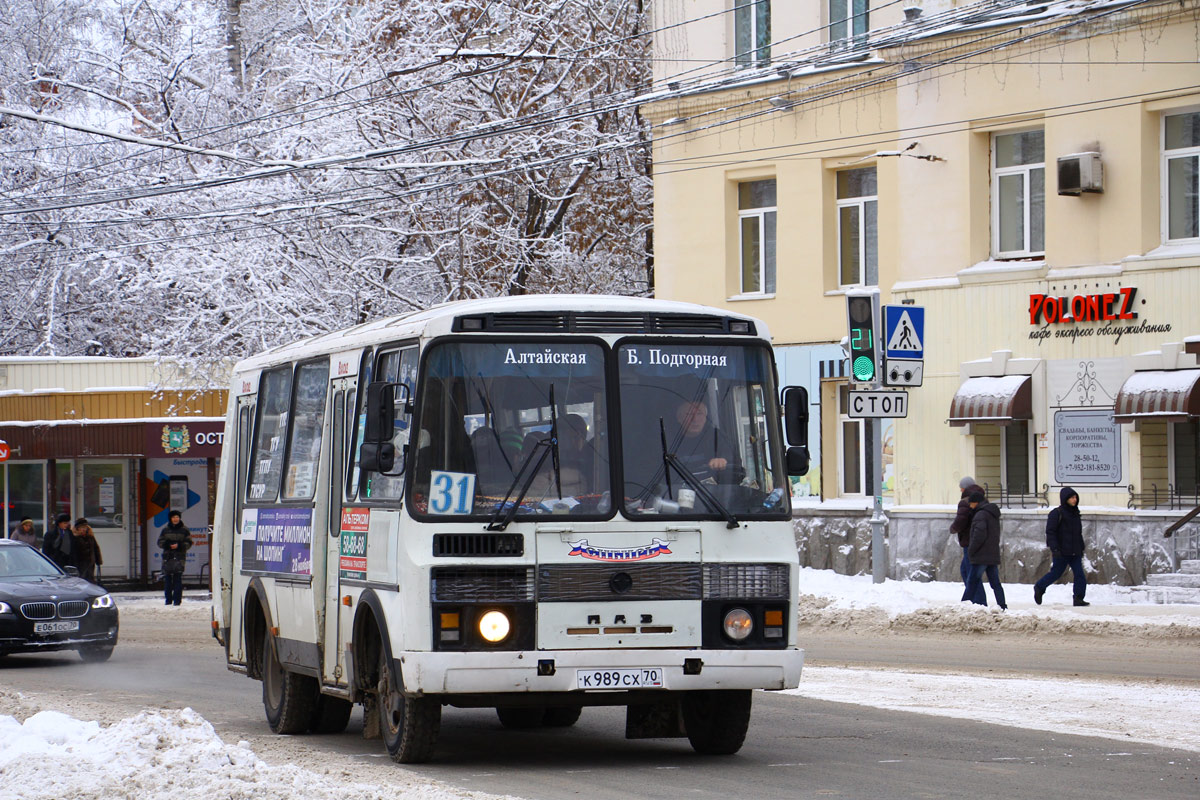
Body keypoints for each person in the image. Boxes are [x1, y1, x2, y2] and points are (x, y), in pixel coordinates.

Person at [1034, 487, 1089, 607]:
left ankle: (1078, 598)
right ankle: (1039, 587)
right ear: (1065, 499)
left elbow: (1077, 533)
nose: (1074, 500)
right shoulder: (1056, 513)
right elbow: (1051, 532)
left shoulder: (1075, 513)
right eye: (1072, 498)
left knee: (1079, 574)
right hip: (1062, 551)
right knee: (1056, 573)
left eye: (1075, 497)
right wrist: (1055, 548)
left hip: (1075, 551)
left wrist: (1081, 546)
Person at [672, 399, 744, 484]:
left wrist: (723, 460)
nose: (695, 419)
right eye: (689, 414)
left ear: (705, 417)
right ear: (679, 418)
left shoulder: (717, 437)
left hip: (711, 493)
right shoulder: (669, 441)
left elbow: (734, 462)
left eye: (699, 414)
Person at [961, 490, 1007, 610]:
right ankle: (1002, 605)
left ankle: (963, 605)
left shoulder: (980, 515)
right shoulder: (992, 513)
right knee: (995, 583)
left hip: (981, 555)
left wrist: (971, 550)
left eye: (971, 504)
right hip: (992, 553)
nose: (970, 506)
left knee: (972, 581)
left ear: (976, 503)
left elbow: (978, 535)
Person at [950, 476, 986, 605]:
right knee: (967, 570)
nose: (960, 491)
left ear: (964, 488)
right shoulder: (982, 499)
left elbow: (961, 520)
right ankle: (974, 600)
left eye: (961, 488)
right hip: (977, 540)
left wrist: (953, 528)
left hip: (969, 541)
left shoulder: (965, 501)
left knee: (970, 572)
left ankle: (977, 601)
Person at [158, 509, 192, 606]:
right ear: (170, 519)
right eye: (173, 517)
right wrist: (168, 545)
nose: (175, 519)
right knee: (168, 579)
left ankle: (177, 600)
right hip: (168, 557)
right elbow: (160, 542)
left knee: (178, 579)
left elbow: (189, 542)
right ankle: (168, 600)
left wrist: (179, 546)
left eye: (177, 517)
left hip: (179, 557)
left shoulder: (185, 530)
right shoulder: (165, 530)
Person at [71, 518, 103, 583]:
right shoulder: (74, 538)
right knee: (81, 580)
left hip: (90, 563)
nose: (84, 529)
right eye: (81, 527)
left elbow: (96, 548)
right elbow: (72, 552)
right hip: (79, 564)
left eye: (85, 527)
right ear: (77, 528)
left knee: (90, 579)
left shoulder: (90, 537)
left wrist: (98, 560)